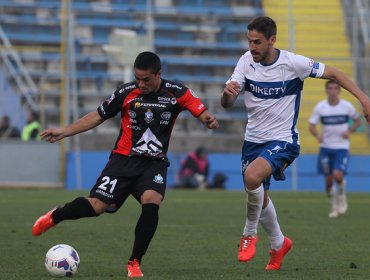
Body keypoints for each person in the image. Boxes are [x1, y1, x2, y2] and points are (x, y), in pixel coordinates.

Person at [32, 51, 219, 278]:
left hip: (154, 164)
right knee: (96, 207)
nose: (140, 84)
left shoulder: (177, 93)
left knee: (152, 201)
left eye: (146, 80)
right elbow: (97, 116)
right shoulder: (126, 92)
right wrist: (65, 131)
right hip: (122, 161)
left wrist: (207, 119)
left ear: (159, 74)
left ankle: (134, 262)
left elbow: (200, 110)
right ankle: (56, 216)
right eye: (137, 78)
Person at [221, 16, 370, 270]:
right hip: (252, 141)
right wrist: (227, 95)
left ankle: (248, 233)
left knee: (252, 178)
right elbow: (226, 104)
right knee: (260, 195)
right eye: (249, 41)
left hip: (283, 140)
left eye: (257, 42)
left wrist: (363, 98)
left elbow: (334, 72)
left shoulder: (294, 63)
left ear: (272, 40)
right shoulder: (245, 62)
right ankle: (279, 244)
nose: (252, 47)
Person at [309, 80, 361, 218]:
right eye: (330, 88)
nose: (333, 91)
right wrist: (317, 135)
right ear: (327, 91)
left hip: (341, 147)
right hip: (326, 148)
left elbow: (358, 121)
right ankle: (334, 207)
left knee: (338, 176)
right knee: (328, 182)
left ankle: (342, 194)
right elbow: (311, 126)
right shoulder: (321, 107)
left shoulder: (347, 106)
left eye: (335, 88)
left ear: (339, 91)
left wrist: (349, 131)